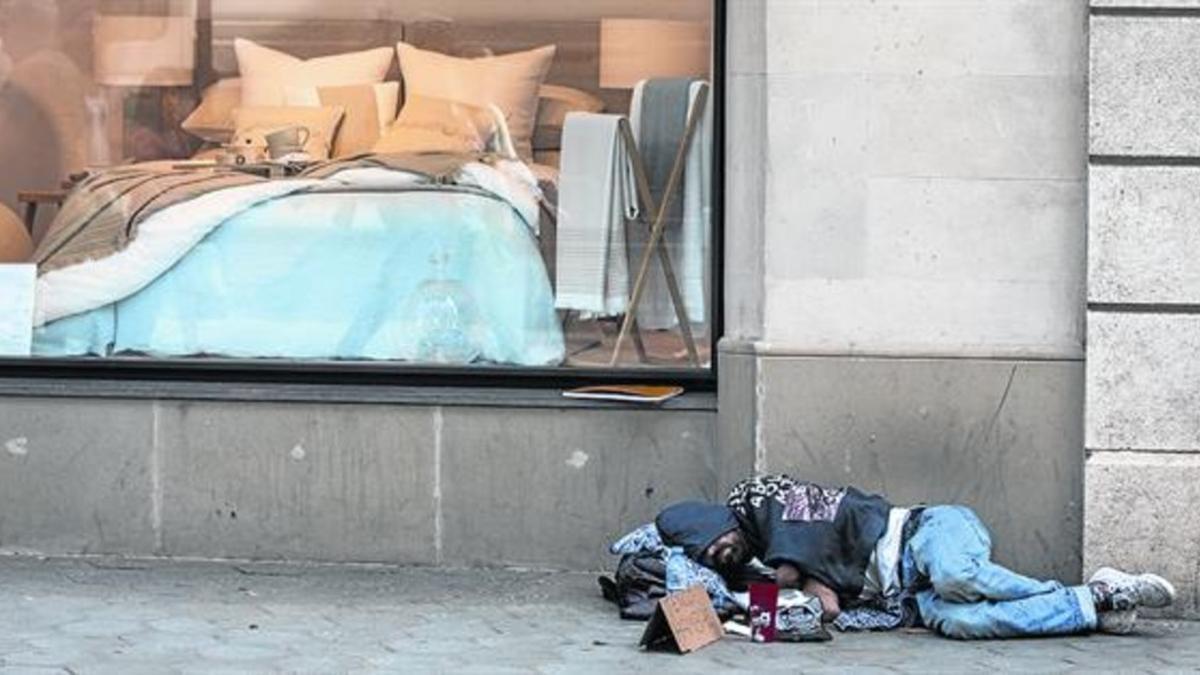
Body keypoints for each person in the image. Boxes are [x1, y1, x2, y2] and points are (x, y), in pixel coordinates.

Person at [654, 474, 1175, 639]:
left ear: (720, 522)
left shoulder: (772, 505)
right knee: (962, 622)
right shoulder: (757, 565)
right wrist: (736, 613)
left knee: (955, 576)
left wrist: (749, 608)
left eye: (714, 543)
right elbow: (805, 609)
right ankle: (1095, 603)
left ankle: (1096, 591)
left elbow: (824, 604)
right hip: (910, 597)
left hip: (928, 532)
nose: (718, 555)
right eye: (708, 557)